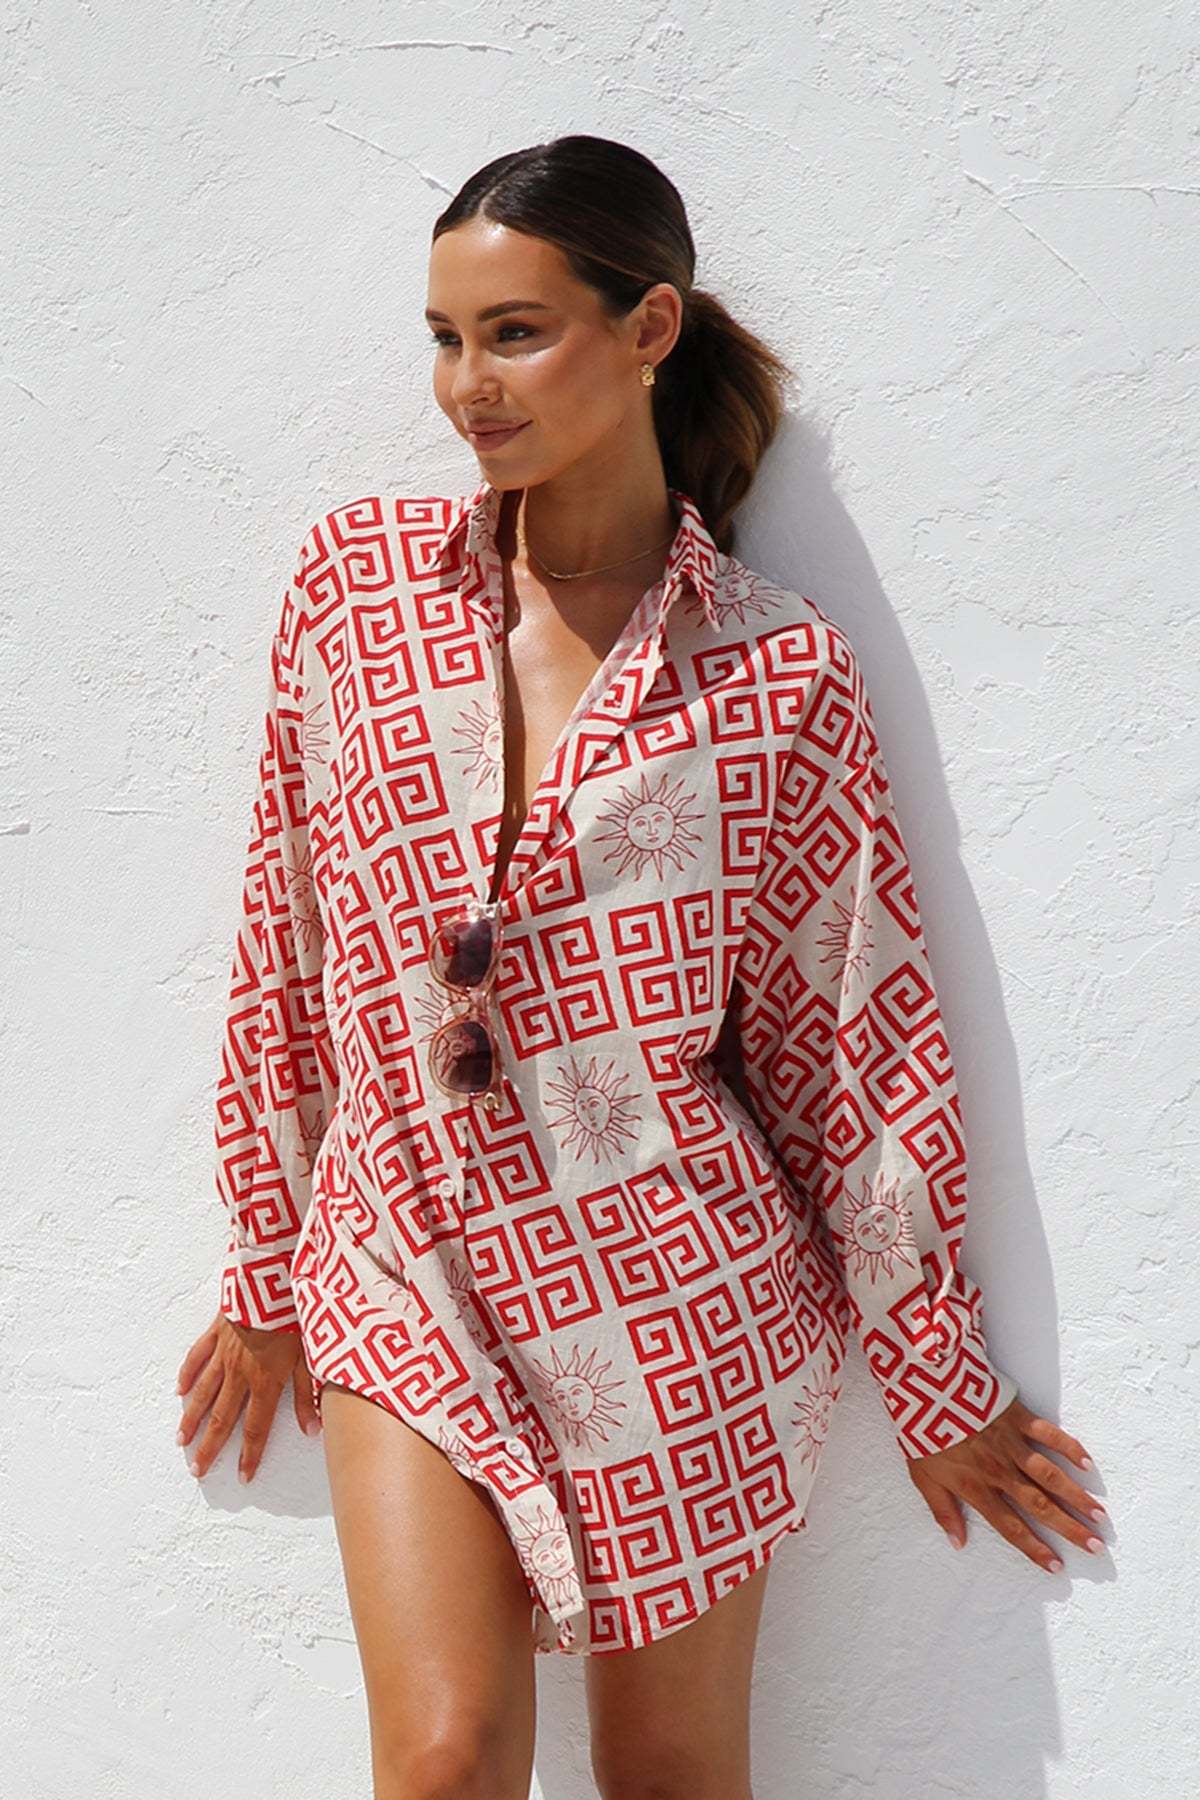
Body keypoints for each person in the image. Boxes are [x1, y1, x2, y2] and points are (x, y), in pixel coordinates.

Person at [175, 135, 1107, 1799]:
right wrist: (265, 1258)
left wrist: (936, 1374)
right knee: (443, 1760)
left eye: (515, 333)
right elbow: (284, 939)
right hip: (402, 1253)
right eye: (445, 338)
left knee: (671, 1776)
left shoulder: (777, 672)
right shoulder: (353, 591)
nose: (468, 385)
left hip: (671, 1287)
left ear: (650, 327)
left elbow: (854, 1042)